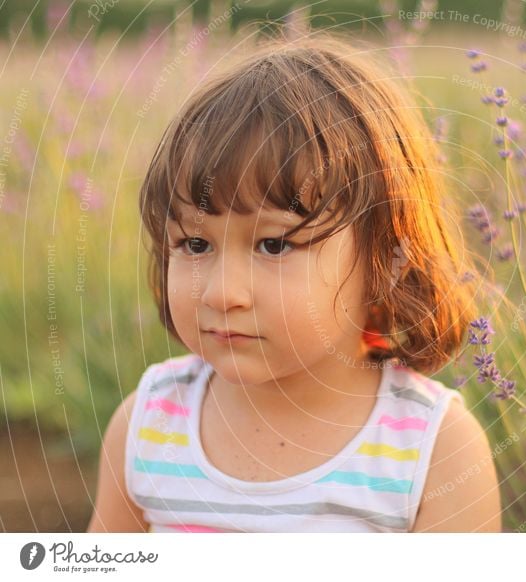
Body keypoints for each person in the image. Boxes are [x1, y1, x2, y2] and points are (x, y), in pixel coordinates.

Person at [87, 33, 501, 533]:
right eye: (195, 246)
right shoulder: (148, 425)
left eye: (275, 245)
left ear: (384, 259)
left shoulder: (433, 452)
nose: (222, 293)